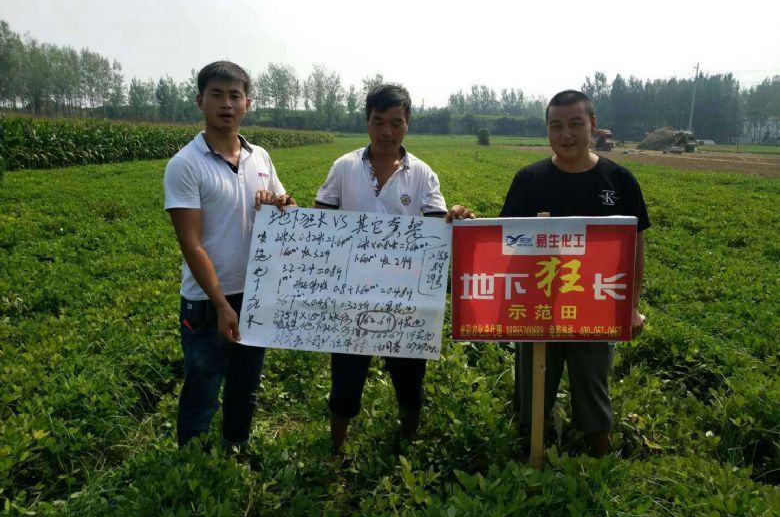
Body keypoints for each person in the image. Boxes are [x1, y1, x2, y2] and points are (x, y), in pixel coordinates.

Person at [314, 83, 474, 457]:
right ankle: (337, 448)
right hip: (351, 295)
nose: (386, 131)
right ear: (367, 121)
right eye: (378, 121)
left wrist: (454, 220)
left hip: (405, 297)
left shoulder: (422, 173)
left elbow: (436, 227)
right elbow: (321, 223)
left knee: (409, 378)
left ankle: (408, 442)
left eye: (395, 123)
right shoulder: (344, 167)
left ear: (408, 124)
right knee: (346, 380)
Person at [499, 89, 650, 456]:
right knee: (532, 390)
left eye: (575, 124)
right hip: (538, 306)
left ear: (592, 125)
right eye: (556, 126)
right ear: (547, 130)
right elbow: (503, 241)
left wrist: (631, 306)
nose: (565, 134)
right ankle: (532, 454)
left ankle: (598, 461)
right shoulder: (529, 180)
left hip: (595, 306)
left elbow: (634, 248)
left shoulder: (619, 180)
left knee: (592, 386)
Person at [163, 61, 294, 449]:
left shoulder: (260, 157)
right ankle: (192, 463)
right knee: (202, 388)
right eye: (216, 95)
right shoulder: (185, 165)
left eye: (235, 96)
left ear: (247, 104)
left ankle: (235, 449)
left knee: (245, 386)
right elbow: (192, 244)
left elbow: (287, 208)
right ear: (199, 100)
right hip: (207, 302)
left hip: (255, 293)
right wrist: (221, 305)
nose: (226, 104)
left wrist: (280, 201)